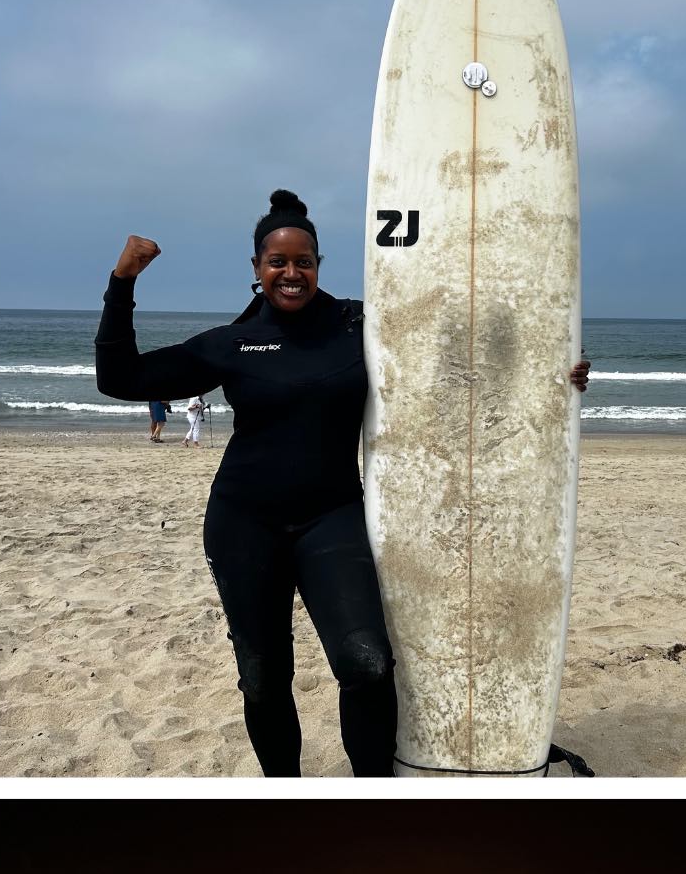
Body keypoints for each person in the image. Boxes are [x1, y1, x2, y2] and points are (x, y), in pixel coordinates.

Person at [95, 190, 590, 777]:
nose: (291, 272)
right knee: (261, 678)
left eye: (303, 260)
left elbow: (459, 357)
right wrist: (122, 280)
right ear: (256, 270)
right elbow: (118, 377)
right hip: (242, 523)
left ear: (318, 265)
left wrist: (554, 372)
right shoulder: (231, 343)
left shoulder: (359, 325)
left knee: (368, 665)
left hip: (331, 517)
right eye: (277, 262)